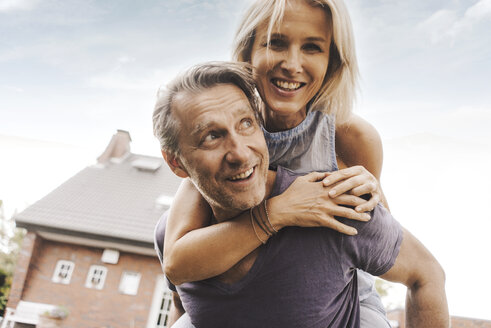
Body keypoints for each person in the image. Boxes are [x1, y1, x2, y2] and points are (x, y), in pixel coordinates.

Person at [152, 61, 449, 328]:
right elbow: (184, 304)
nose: (240, 155)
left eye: (246, 124)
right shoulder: (174, 235)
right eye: (212, 137)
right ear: (176, 162)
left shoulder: (330, 203)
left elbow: (427, 274)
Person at [163, 0, 396, 327]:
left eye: (312, 47)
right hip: (246, 300)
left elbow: (383, 249)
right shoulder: (226, 144)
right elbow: (177, 263)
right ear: (248, 53)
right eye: (276, 43)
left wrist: (372, 199)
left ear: (332, 61)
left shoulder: (351, 137)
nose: (292, 64)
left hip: (341, 304)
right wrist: (278, 211)